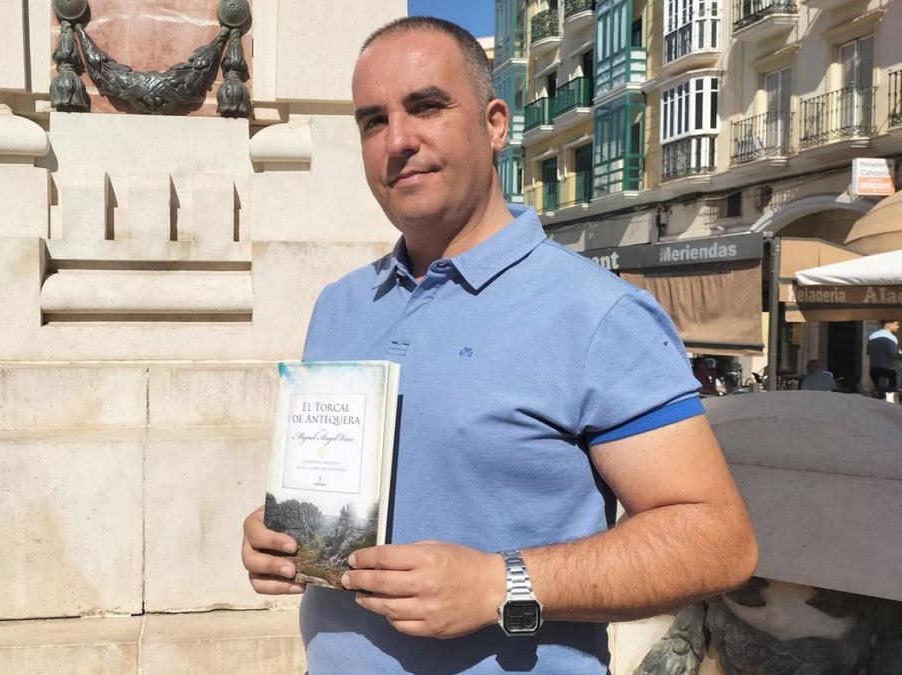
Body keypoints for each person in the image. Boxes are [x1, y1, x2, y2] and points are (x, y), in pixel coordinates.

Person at [240, 17, 757, 674]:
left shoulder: (597, 313)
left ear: (494, 124)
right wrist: (282, 533)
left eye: (426, 106)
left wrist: (500, 585)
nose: (398, 140)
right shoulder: (339, 305)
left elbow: (718, 541)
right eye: (373, 121)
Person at [867, 319, 900, 399]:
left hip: (873, 369)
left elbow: (868, 352)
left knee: (878, 394)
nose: (898, 327)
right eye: (896, 324)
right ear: (888, 325)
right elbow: (894, 355)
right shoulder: (891, 338)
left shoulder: (872, 336)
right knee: (891, 393)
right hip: (887, 371)